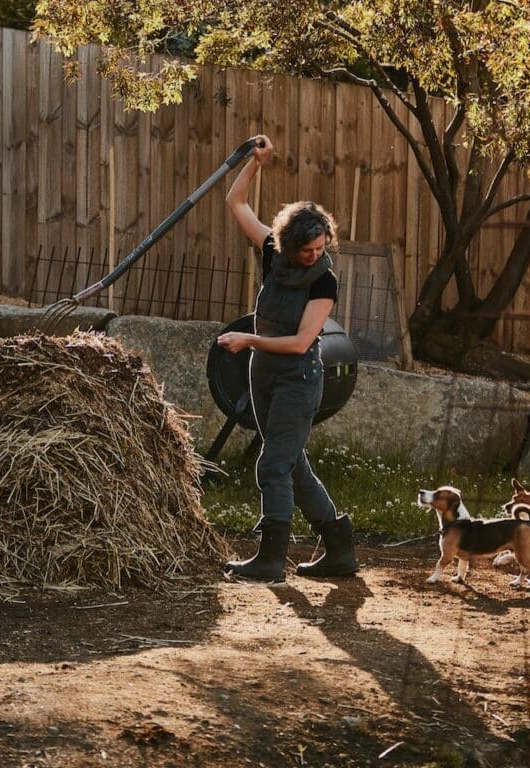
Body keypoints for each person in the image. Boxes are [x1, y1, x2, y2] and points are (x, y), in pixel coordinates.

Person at [218, 135, 358, 582]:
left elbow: (301, 343)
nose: (316, 256)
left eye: (321, 248)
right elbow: (236, 202)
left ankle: (271, 559)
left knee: (272, 464)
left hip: (299, 378)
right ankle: (339, 549)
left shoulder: (325, 283)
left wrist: (249, 340)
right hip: (265, 377)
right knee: (293, 465)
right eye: (307, 250)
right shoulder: (271, 252)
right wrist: (255, 162)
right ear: (288, 244)